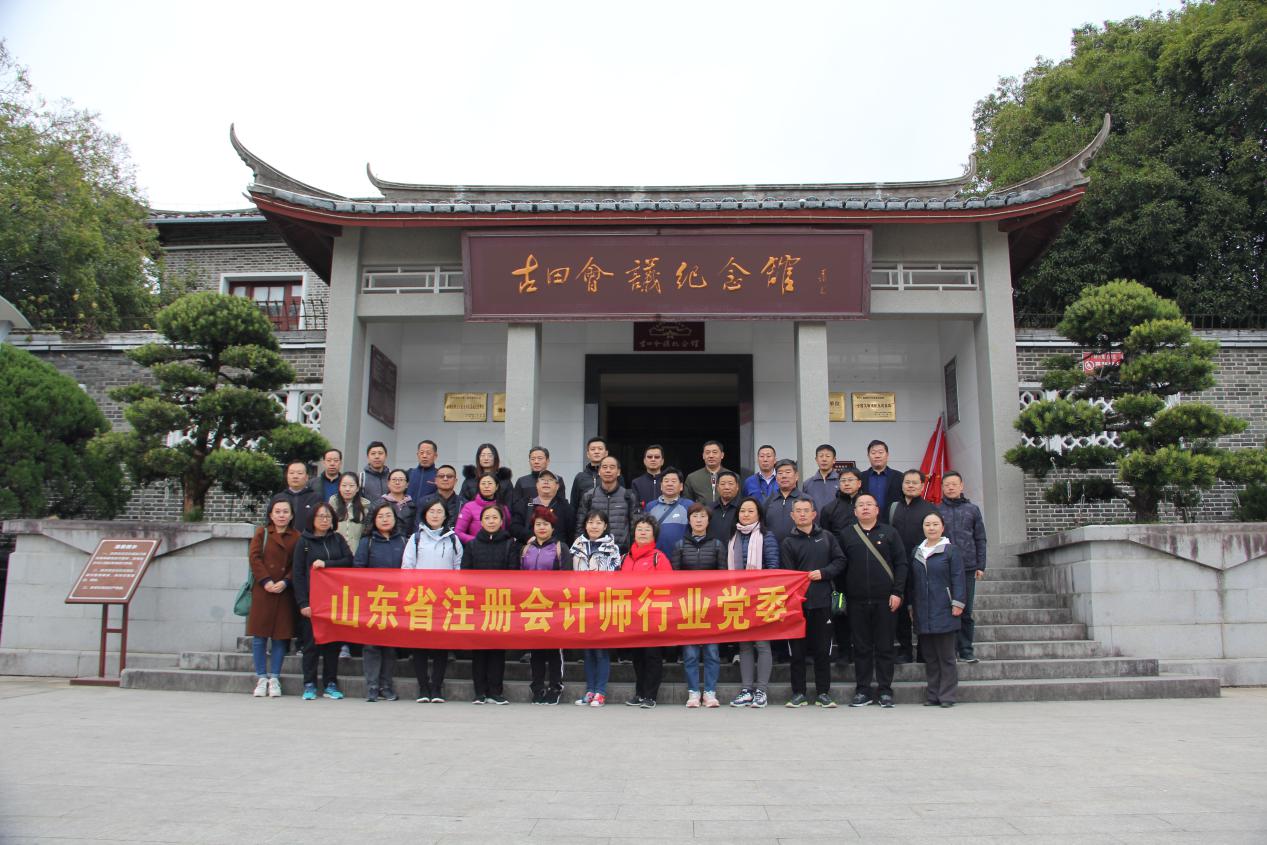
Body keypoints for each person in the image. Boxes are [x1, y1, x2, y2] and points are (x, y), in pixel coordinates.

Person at [839, 493, 907, 708]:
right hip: (856, 601)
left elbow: (901, 564)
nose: (865, 508)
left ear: (877, 509)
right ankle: (863, 690)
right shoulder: (846, 535)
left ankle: (885, 690)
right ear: (855, 511)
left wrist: (897, 592)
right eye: (861, 505)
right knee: (861, 648)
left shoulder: (890, 533)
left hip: (885, 600)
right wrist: (842, 597)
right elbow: (840, 567)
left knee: (885, 647)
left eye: (869, 504)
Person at [780, 498, 846, 708]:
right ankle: (798, 693)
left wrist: (824, 573)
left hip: (823, 601)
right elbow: (788, 573)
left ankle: (823, 693)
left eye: (806, 510)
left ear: (814, 514)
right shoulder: (788, 542)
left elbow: (840, 561)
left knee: (822, 651)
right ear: (792, 515)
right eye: (798, 511)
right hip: (797, 605)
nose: (802, 514)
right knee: (797, 652)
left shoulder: (827, 537)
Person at [402, 498, 463, 703]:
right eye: (431, 511)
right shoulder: (416, 538)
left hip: (444, 600)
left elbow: (458, 568)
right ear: (425, 514)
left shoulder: (453, 540)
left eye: (439, 512)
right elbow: (407, 567)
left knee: (441, 645)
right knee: (419, 644)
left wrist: (454, 594)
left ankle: (436, 687)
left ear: (445, 516)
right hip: (420, 598)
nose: (435, 515)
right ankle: (423, 687)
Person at [292, 502, 353, 701]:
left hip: (334, 601)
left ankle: (330, 683)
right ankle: (309, 683)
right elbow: (298, 574)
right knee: (311, 645)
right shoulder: (304, 542)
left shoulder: (337, 539)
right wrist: (303, 603)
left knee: (332, 645)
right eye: (320, 516)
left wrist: (327, 564)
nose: (324, 520)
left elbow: (348, 561)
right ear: (312, 519)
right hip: (313, 602)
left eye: (328, 517)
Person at [462, 504, 521, 705]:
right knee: (479, 650)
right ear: (481, 521)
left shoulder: (510, 544)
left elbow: (514, 574)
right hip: (478, 604)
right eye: (487, 518)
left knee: (497, 649)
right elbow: (465, 574)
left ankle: (495, 691)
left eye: (495, 517)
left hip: (500, 604)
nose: (491, 521)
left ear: (502, 521)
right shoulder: (472, 545)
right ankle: (479, 691)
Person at [726, 497, 781, 708]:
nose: (746, 514)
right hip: (738, 597)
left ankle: (761, 690)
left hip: (761, 597)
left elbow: (773, 567)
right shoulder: (733, 537)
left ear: (759, 514)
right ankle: (746, 689)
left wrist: (758, 585)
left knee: (762, 643)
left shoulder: (766, 536)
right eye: (742, 511)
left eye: (750, 511)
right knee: (745, 644)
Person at [671, 504, 725, 708]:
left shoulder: (718, 545)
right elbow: (674, 578)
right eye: (695, 516)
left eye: (703, 516)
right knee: (691, 653)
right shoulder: (679, 545)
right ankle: (693, 692)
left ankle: (710, 692)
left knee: (712, 652)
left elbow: (723, 576)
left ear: (708, 521)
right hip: (688, 606)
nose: (699, 520)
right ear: (689, 520)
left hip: (711, 606)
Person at [246, 498, 301, 698]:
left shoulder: (297, 536)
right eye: (277, 512)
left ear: (292, 515)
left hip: (284, 591)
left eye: (285, 512)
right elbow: (254, 558)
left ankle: (275, 677)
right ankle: (261, 677)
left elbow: (298, 564)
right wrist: (265, 580)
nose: (281, 515)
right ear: (270, 514)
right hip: (263, 590)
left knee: (280, 637)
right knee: (259, 637)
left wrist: (286, 581)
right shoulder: (262, 533)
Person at [911, 511, 966, 707]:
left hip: (944, 608)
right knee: (930, 657)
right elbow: (913, 582)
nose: (931, 528)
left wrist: (958, 602)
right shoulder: (917, 551)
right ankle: (933, 695)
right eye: (927, 524)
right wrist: (911, 605)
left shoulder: (950, 550)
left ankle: (947, 696)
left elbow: (958, 577)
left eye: (935, 524)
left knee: (947, 657)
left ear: (942, 527)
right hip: (923, 610)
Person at [353, 502, 406, 702]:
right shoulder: (367, 542)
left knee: (390, 645)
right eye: (380, 516)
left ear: (395, 519)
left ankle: (386, 685)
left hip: (396, 601)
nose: (385, 519)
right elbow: (358, 569)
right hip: (373, 600)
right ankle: (372, 686)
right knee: (371, 645)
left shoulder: (403, 541)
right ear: (374, 520)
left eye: (388, 516)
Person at [570, 511, 622, 707]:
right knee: (588, 651)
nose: (594, 526)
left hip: (603, 603)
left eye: (599, 523)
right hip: (582, 603)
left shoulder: (612, 548)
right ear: (585, 525)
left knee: (601, 650)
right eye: (591, 522)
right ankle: (590, 690)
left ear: (605, 526)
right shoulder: (577, 546)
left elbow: (617, 576)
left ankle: (600, 691)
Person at [520, 507, 570, 705]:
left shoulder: (560, 548)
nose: (542, 528)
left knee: (554, 649)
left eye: (546, 524)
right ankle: (537, 687)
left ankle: (556, 687)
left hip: (553, 606)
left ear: (552, 527)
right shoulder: (526, 549)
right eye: (538, 524)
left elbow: (567, 577)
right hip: (532, 606)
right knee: (536, 650)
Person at [889, 469, 939, 664]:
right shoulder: (894, 508)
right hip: (898, 567)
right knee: (901, 610)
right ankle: (905, 650)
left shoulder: (930, 510)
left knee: (921, 608)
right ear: (902, 485)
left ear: (922, 485)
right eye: (907, 482)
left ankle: (924, 651)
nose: (910, 486)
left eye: (914, 482)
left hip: (922, 565)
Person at [621, 516, 671, 708]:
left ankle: (650, 695)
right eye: (639, 529)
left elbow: (668, 586)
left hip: (653, 615)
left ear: (654, 534)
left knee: (652, 656)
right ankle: (639, 693)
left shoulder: (659, 557)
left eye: (647, 529)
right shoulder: (625, 558)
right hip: (632, 615)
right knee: (637, 656)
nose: (642, 532)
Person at [938, 471, 988, 664]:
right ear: (942, 488)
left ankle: (966, 649)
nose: (950, 487)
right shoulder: (936, 510)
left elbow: (980, 538)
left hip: (967, 566)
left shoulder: (972, 510)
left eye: (954, 484)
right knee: (946, 609)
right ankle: (949, 650)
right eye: (947, 484)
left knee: (965, 610)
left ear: (961, 486)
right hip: (944, 567)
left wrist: (980, 565)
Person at [575, 455, 640, 551]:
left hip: (621, 552)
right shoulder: (589, 496)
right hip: (594, 551)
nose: (608, 470)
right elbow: (580, 526)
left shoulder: (628, 496)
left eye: (612, 467)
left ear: (618, 472)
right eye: (604, 467)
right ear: (599, 472)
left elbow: (635, 526)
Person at [509, 469, 575, 545]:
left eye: (550, 480)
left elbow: (571, 534)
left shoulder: (565, 507)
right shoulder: (525, 504)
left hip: (556, 550)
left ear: (557, 486)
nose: (546, 482)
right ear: (537, 485)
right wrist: (528, 537)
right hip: (529, 548)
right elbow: (514, 526)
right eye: (542, 479)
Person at [644, 467, 693, 556]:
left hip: (682, 557)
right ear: (661, 486)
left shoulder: (689, 506)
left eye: (674, 481)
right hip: (655, 557)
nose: (669, 484)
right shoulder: (650, 506)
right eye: (666, 481)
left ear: (681, 486)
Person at [455, 472, 511, 543]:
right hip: (476, 547)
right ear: (478, 486)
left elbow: (509, 531)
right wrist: (478, 542)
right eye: (483, 483)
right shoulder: (469, 507)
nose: (486, 486)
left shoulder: (503, 508)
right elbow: (458, 532)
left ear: (496, 487)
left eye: (490, 483)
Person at [763, 459, 806, 543]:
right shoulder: (769, 501)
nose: (784, 476)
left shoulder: (805, 500)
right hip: (773, 548)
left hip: (799, 548)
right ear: (776, 478)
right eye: (780, 473)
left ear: (796, 476)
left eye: (788, 472)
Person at [862, 440, 904, 523]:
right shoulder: (861, 477)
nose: (877, 456)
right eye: (873, 453)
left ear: (887, 455)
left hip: (893, 523)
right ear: (868, 456)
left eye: (880, 452)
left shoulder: (900, 477)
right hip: (866, 522)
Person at [684, 440, 735, 505]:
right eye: (707, 452)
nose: (711, 456)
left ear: (722, 455)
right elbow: (687, 503)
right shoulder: (692, 478)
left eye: (715, 452)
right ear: (703, 456)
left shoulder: (733, 476)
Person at [274, 460, 321, 531]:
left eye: (299, 473)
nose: (295, 476)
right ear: (287, 476)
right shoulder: (278, 498)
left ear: (307, 477)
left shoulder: (316, 498)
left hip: (308, 537)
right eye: (291, 473)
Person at [330, 471, 371, 551]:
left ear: (357, 488)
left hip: (356, 552)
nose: (347, 489)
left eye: (351, 486)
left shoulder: (365, 507)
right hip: (335, 552)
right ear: (339, 487)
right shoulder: (332, 506)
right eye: (344, 485)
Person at [570, 436, 612, 511]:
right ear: (588, 454)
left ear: (606, 453)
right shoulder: (580, 477)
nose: (596, 452)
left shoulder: (614, 475)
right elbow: (573, 505)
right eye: (593, 449)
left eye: (600, 449)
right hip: (584, 517)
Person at [819, 468, 863, 537]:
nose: (846, 484)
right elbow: (826, 536)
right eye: (843, 480)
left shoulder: (867, 506)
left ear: (859, 483)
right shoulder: (829, 508)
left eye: (850, 480)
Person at [374, 468, 417, 537]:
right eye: (394, 479)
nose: (397, 482)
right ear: (388, 483)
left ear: (407, 484)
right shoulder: (378, 504)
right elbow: (370, 527)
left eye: (401, 480)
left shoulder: (412, 506)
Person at [418, 464, 461, 530]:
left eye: (449, 476)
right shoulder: (424, 501)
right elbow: (418, 526)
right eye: (441, 476)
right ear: (435, 480)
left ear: (455, 481)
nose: (445, 479)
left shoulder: (463, 503)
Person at [801, 444, 840, 511]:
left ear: (834, 460)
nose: (824, 459)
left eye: (827, 456)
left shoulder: (841, 481)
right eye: (821, 456)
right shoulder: (807, 483)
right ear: (816, 460)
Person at [708, 471, 741, 542]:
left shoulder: (743, 508)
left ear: (737, 487)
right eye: (723, 484)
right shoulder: (709, 509)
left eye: (730, 484)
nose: (726, 487)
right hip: (713, 548)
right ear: (717, 487)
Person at [630, 444, 665, 509]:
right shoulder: (636, 483)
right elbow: (635, 508)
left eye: (657, 457)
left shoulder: (669, 482)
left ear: (662, 461)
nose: (653, 459)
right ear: (644, 461)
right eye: (649, 457)